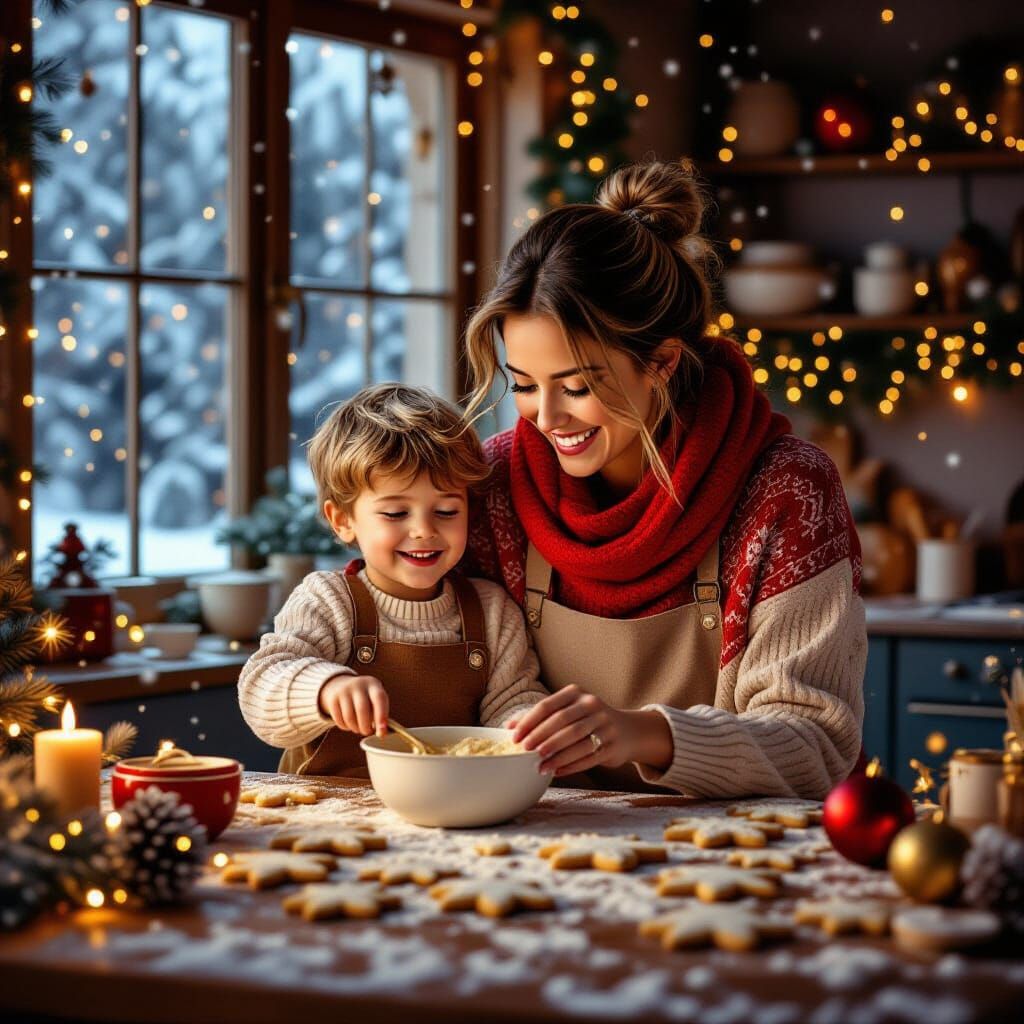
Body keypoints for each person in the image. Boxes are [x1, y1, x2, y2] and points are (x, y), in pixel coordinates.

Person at [461, 160, 866, 800]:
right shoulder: (494, 485)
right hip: (534, 849)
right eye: (525, 387)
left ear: (663, 364)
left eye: (577, 386)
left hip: (731, 863)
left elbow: (816, 746)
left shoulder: (787, 492)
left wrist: (647, 734)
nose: (548, 416)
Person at [238, 383, 549, 776]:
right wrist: (324, 688)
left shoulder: (491, 610)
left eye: (447, 511)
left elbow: (512, 699)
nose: (423, 530)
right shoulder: (327, 600)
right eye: (396, 513)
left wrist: (523, 727)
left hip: (447, 812)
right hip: (326, 813)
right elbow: (261, 685)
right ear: (343, 520)